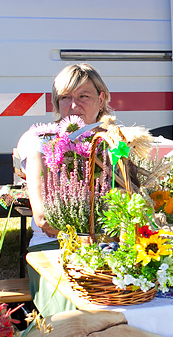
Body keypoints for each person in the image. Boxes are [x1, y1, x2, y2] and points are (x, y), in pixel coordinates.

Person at [17, 63, 112, 249]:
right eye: (65, 98)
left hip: (110, 246)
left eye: (83, 96)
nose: (74, 105)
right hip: (55, 246)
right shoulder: (40, 141)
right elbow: (45, 219)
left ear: (101, 100)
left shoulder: (115, 141)